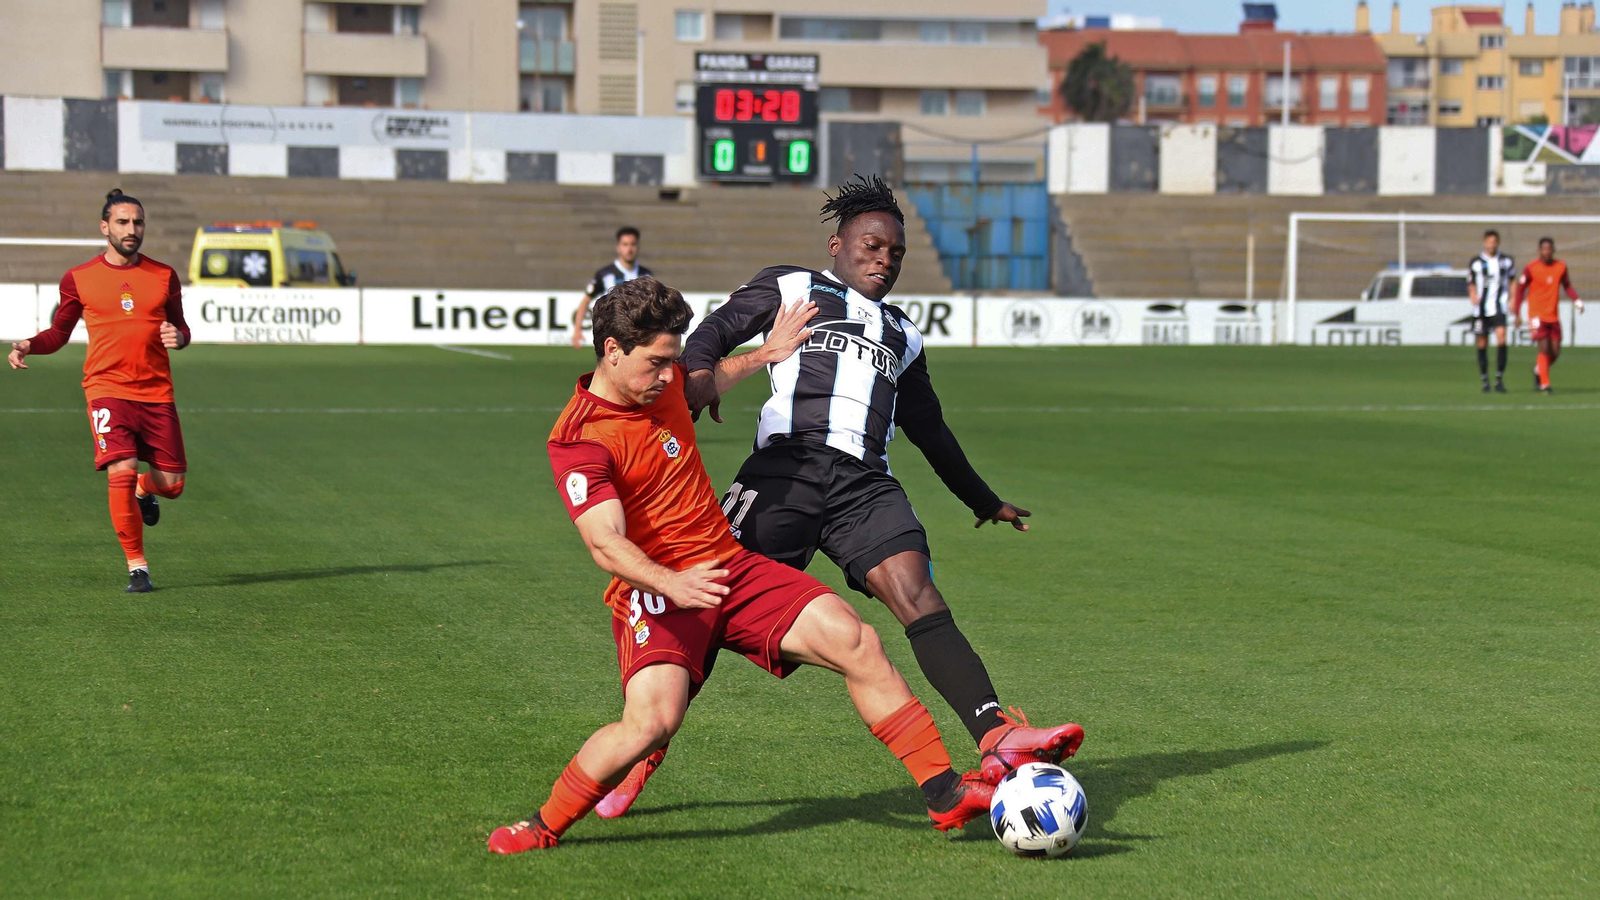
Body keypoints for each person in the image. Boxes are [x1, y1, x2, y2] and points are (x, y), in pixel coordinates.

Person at [586, 176, 1082, 818]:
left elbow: (930, 428)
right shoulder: (792, 285)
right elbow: (718, 328)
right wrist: (701, 374)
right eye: (872, 246)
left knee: (919, 594)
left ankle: (997, 737)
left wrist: (983, 501)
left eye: (895, 253)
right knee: (707, 604)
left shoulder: (905, 334)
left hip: (863, 485)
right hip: (782, 472)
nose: (884, 259)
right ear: (837, 246)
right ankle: (641, 754)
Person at [488, 278, 992, 854]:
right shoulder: (581, 440)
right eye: (656, 363)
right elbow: (605, 543)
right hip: (658, 592)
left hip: (731, 567)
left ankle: (943, 793)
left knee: (856, 640)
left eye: (672, 361)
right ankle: (543, 825)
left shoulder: (664, 383)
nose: (669, 376)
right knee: (651, 725)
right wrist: (672, 582)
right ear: (612, 351)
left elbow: (707, 379)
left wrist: (766, 354)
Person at [7, 189, 190, 593]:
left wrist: (179, 337)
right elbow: (59, 333)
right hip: (106, 389)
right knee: (121, 469)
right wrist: (28, 345)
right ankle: (137, 567)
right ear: (105, 227)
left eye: (137, 222)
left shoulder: (164, 275)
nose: (131, 229)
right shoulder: (79, 277)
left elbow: (181, 327)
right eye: (123, 222)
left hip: (156, 392)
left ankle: (145, 488)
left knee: (173, 484)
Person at [1513, 237, 1585, 394]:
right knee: (1544, 348)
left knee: (1555, 352)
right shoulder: (1531, 268)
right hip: (1536, 315)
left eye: (1549, 249)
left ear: (1553, 250)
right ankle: (1545, 384)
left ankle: (1538, 369)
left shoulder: (1560, 267)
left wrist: (1576, 300)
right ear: (1539, 250)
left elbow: (1567, 285)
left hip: (1553, 315)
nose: (1546, 252)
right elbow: (1520, 290)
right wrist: (1517, 313)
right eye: (1544, 249)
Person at [570, 226, 652, 349]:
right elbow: (585, 300)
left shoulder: (646, 275)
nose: (629, 249)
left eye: (633, 244)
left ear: (638, 247)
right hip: (612, 333)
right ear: (618, 247)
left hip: (637, 335)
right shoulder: (605, 274)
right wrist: (577, 330)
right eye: (625, 244)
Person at [1468, 230, 1516, 394]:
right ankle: (1484, 380)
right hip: (1481, 309)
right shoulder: (1476, 262)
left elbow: (1513, 280)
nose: (1492, 244)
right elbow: (1471, 282)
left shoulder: (1506, 261)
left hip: (1499, 307)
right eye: (1489, 241)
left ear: (1498, 243)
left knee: (1502, 338)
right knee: (1482, 343)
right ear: (1484, 243)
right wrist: (1472, 294)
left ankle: (1499, 379)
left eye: (1494, 241)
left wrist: (1513, 299)